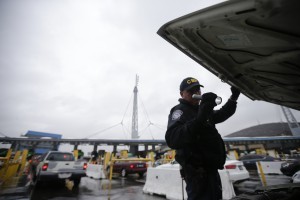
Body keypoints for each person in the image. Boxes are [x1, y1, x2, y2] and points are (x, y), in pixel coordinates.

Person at [165, 77, 240, 200]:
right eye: (191, 91)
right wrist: (199, 119)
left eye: (198, 90)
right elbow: (173, 139)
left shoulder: (202, 109)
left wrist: (233, 97)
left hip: (211, 171)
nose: (196, 93)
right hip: (196, 175)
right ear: (182, 94)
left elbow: (221, 114)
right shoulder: (179, 111)